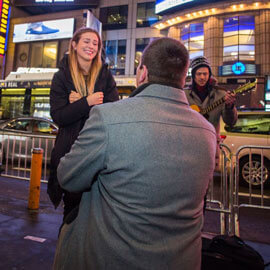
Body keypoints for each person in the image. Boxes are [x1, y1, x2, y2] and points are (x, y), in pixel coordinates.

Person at [53, 37, 217, 270]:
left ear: (143, 73)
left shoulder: (108, 117)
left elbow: (68, 177)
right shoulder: (207, 132)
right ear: (183, 78)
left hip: (111, 257)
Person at [47, 27, 119, 220]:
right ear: (74, 44)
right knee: (72, 214)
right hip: (72, 153)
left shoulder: (105, 76)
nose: (91, 46)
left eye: (95, 43)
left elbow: (114, 112)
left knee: (98, 218)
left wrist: (81, 103)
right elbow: (59, 116)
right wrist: (87, 102)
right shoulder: (61, 77)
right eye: (86, 41)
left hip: (100, 153)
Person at [184, 56, 238, 170]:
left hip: (210, 147)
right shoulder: (184, 94)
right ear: (193, 75)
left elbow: (230, 122)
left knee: (208, 184)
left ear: (209, 74)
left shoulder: (220, 94)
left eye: (205, 73)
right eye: (199, 74)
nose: (202, 77)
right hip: (189, 146)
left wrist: (230, 106)